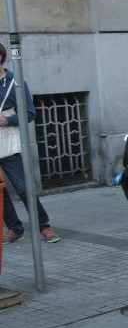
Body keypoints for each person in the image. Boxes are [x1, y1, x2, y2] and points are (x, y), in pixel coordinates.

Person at [0, 43, 60, 245]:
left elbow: (30, 113)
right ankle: (15, 228)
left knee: (23, 187)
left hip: (8, 141)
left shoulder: (14, 82)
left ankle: (44, 226)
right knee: (0, 191)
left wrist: (7, 120)